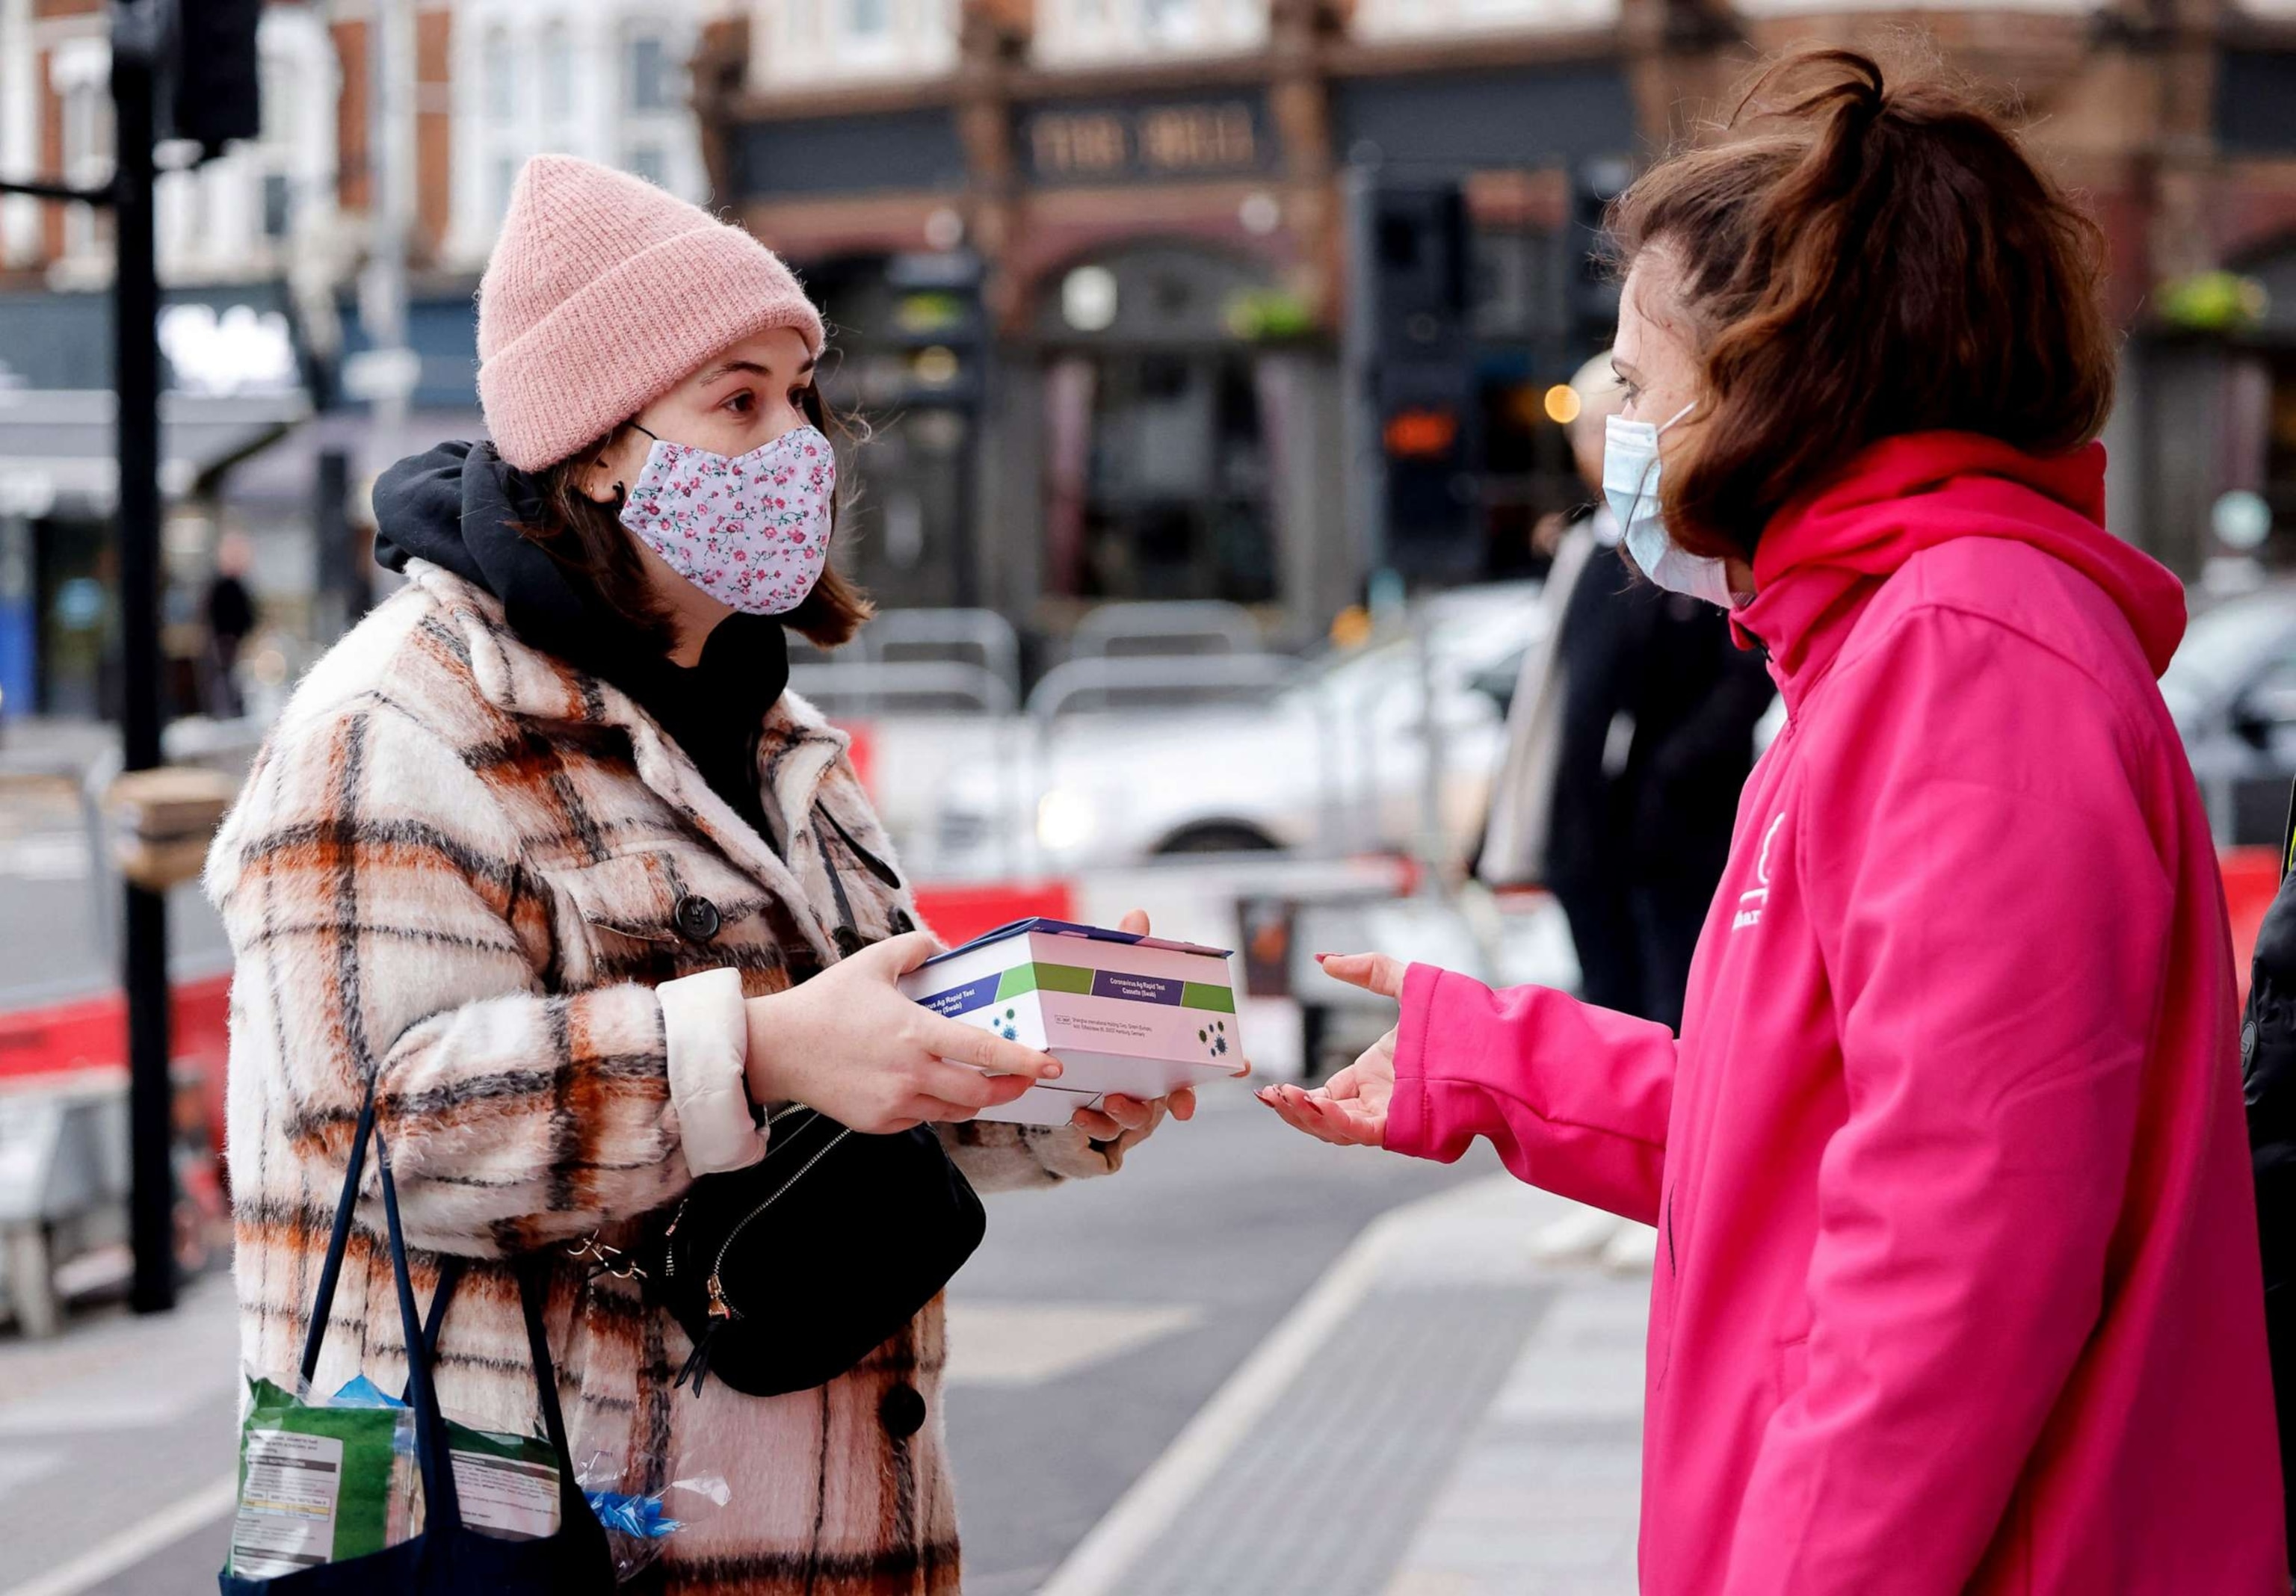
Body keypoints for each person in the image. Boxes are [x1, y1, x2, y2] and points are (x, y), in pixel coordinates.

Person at [1261, 49, 2286, 1592]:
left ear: (1782, 378)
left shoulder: (1960, 660)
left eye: (1639, 381)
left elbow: (1959, 1248)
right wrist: (1488, 1058)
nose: (1618, 425)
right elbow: (1819, 1126)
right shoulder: (1892, 647)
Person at [206, 155, 1194, 1595]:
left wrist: (1038, 1081)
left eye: (800, 393)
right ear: (599, 446)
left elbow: (843, 1100)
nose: (799, 443)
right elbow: (376, 1131)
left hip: (832, 1535)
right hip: (560, 1544)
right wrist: (767, 1045)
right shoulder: (391, 727)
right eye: (739, 401)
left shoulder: (775, 730)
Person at [203, 531, 256, 718]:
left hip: (234, 638)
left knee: (233, 676)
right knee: (224, 677)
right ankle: (225, 710)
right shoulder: (221, 586)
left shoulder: (235, 585)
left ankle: (232, 709)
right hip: (225, 638)